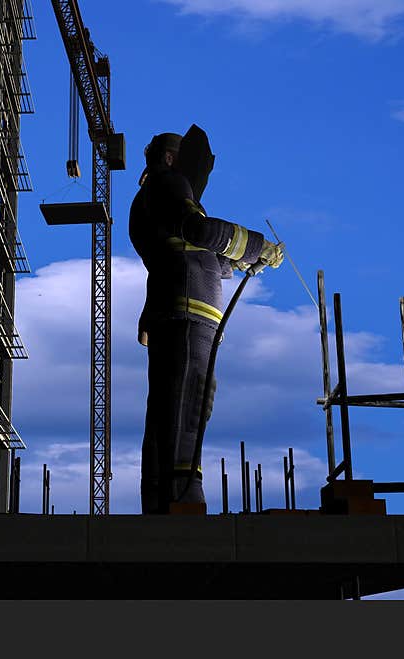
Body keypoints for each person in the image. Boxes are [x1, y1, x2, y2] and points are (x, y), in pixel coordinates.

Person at [129, 126, 284, 514]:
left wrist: (245, 259)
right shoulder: (169, 185)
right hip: (187, 316)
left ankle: (163, 495)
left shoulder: (155, 198)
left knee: (173, 406)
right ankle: (183, 496)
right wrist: (256, 244)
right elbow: (199, 230)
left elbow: (202, 254)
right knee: (189, 402)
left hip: (180, 315)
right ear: (169, 158)